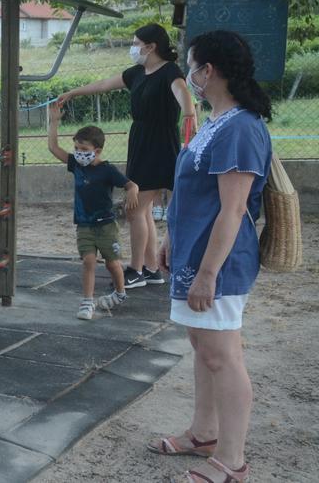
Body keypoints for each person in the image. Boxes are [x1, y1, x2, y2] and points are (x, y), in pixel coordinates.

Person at [146, 31, 271, 483]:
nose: (190, 74)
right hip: (193, 255)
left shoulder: (240, 127)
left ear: (209, 70)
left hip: (217, 264)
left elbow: (234, 209)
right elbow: (193, 194)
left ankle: (233, 462)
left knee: (223, 355)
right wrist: (171, 240)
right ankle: (204, 434)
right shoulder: (217, 121)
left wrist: (208, 273)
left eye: (193, 65)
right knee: (203, 347)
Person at [57, 24, 197, 289]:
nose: (133, 47)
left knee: (135, 210)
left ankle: (136, 269)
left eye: (136, 42)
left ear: (151, 46)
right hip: (140, 141)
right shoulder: (137, 73)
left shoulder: (170, 71)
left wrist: (189, 115)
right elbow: (104, 84)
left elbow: (183, 93)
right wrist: (73, 92)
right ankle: (152, 268)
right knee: (142, 211)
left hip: (159, 145)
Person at [46, 102, 139, 320]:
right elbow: (53, 148)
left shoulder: (107, 170)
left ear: (97, 151)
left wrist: (133, 191)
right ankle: (87, 302)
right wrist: (54, 122)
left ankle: (120, 292)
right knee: (88, 261)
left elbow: (130, 184)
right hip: (84, 224)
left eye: (84, 150)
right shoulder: (76, 165)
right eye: (77, 149)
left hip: (106, 225)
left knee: (112, 262)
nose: (79, 153)